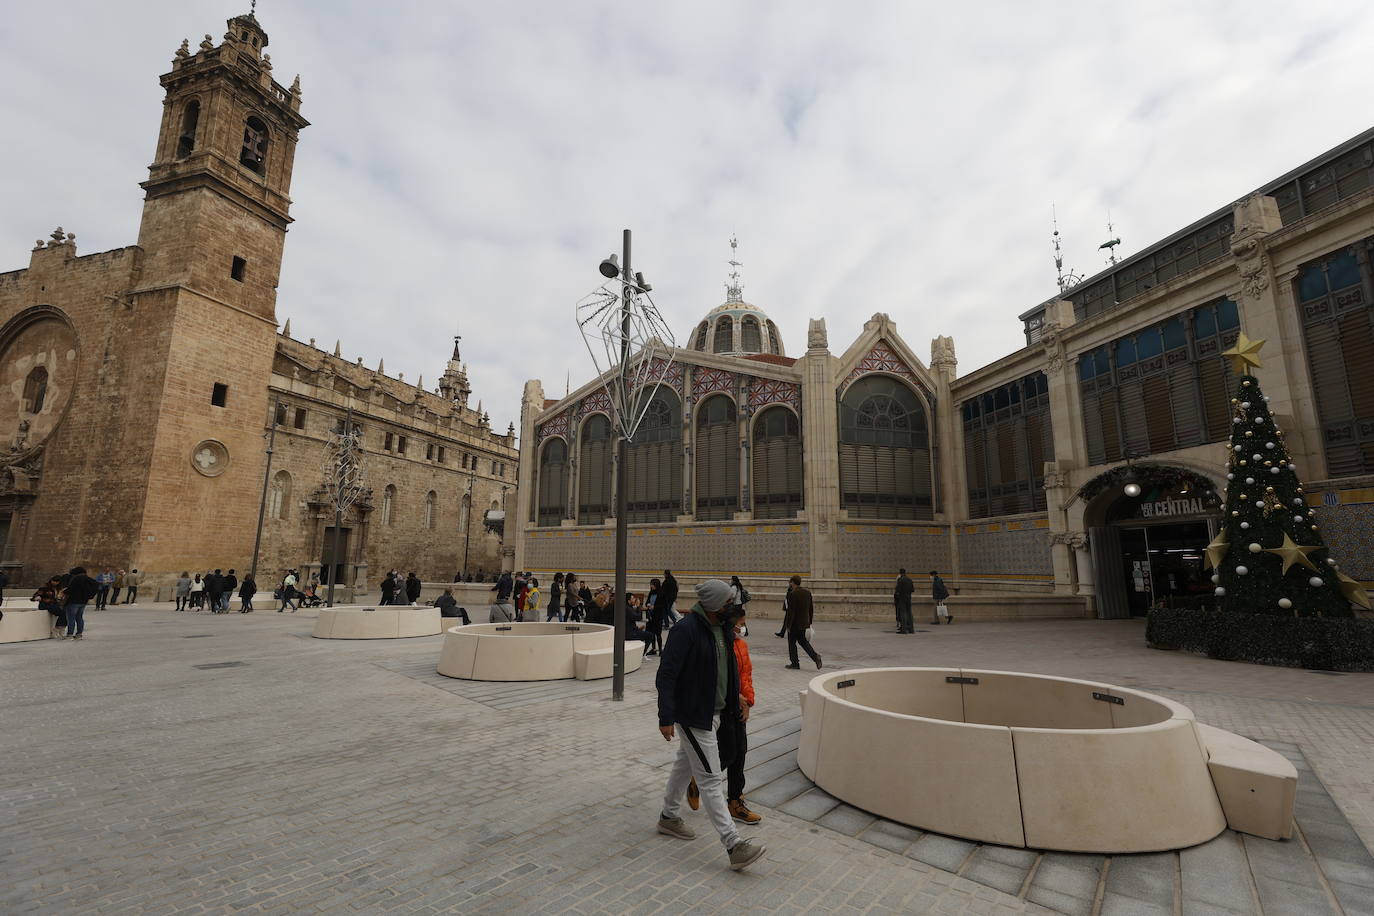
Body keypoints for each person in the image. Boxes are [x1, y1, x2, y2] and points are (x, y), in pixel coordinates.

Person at [654, 579, 765, 872]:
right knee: (711, 779)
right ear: (715, 605)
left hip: (717, 711)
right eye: (728, 602)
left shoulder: (723, 630)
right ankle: (734, 844)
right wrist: (666, 716)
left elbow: (726, 670)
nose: (733, 607)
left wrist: (737, 698)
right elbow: (666, 675)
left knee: (684, 765)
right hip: (693, 715)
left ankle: (668, 817)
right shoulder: (685, 631)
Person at [696, 602, 762, 825]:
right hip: (723, 706)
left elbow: (747, 676)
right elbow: (717, 677)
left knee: (740, 753)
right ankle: (699, 779)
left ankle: (735, 801)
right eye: (739, 624)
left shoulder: (741, 646)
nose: (742, 628)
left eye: (744, 624)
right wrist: (736, 697)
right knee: (729, 753)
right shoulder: (720, 644)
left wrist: (748, 702)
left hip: (739, 707)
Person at [783, 575, 822, 671]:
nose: (789, 584)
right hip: (804, 622)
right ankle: (815, 656)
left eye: (790, 582)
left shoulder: (793, 594)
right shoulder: (807, 593)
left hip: (794, 623)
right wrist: (809, 621)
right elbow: (811, 609)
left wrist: (788, 625)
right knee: (803, 641)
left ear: (792, 582)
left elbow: (791, 611)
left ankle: (795, 663)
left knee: (792, 643)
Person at [62, 566, 99, 639]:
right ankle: (79, 634)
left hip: (73, 601)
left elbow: (71, 589)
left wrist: (64, 591)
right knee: (79, 618)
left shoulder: (76, 579)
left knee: (71, 618)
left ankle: (70, 634)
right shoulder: (89, 579)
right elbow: (96, 584)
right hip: (83, 601)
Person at [645, 578, 664, 656]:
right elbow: (647, 602)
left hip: (658, 617)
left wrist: (654, 607)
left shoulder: (661, 593)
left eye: (652, 584)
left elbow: (663, 605)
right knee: (651, 633)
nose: (651, 586)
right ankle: (653, 649)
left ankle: (660, 650)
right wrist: (648, 605)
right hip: (651, 617)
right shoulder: (651, 593)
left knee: (658, 634)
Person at [894, 568, 915, 634]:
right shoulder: (909, 579)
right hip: (908, 598)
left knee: (903, 613)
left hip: (902, 598)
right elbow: (912, 590)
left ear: (900, 573)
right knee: (909, 613)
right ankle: (911, 629)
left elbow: (897, 590)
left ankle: (904, 629)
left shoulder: (900, 580)